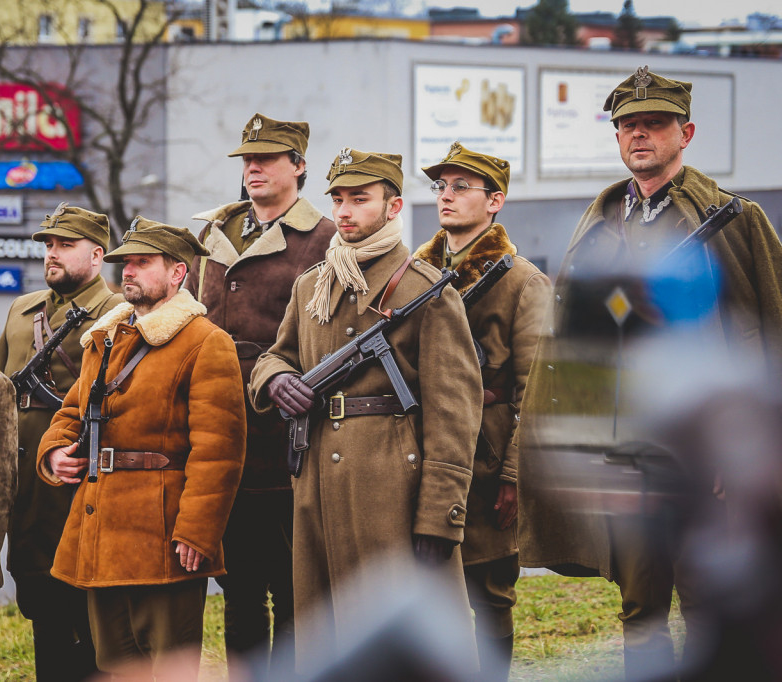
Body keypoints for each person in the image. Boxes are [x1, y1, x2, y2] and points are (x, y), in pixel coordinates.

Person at [516, 66, 782, 677]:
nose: (640, 135)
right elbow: (577, 342)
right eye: (628, 125)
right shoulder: (598, 225)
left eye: (655, 124)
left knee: (714, 594)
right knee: (640, 608)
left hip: (705, 451)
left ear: (684, 132)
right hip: (625, 451)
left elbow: (770, 327)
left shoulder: (735, 220)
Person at [248, 149, 483, 671]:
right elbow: (275, 355)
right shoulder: (312, 285)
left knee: (404, 648)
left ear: (393, 205)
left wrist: (440, 516)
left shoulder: (424, 288)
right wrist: (277, 380)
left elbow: (454, 411)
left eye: (361, 199)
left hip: (393, 491)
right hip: (317, 485)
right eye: (338, 199)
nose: (346, 210)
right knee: (326, 636)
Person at [36, 218, 246, 677]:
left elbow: (219, 450)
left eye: (142, 262)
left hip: (164, 534)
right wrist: (54, 451)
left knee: (167, 664)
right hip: (100, 524)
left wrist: (197, 529)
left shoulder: (207, 342)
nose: (128, 271)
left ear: (177, 273)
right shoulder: (106, 338)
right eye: (125, 263)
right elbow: (71, 412)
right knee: (112, 663)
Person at [185, 112, 335, 677]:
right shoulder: (213, 235)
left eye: (267, 158)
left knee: (296, 591)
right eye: (248, 159)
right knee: (240, 591)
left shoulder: (325, 239)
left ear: (299, 167)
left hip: (291, 440)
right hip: (221, 438)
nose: (254, 168)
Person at [413, 142, 551, 682]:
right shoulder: (415, 275)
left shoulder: (522, 282)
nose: (446, 196)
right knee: (424, 590)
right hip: (420, 453)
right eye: (441, 186)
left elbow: (538, 388)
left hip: (486, 463)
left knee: (490, 592)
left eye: (460, 187)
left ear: (495, 202)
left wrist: (516, 473)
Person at [0, 203, 123, 681]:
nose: (52, 253)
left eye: (65, 245)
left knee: (85, 611)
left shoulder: (118, 313)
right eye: (48, 245)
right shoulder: (20, 310)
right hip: (25, 481)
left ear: (97, 253)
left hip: (78, 481)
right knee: (39, 601)